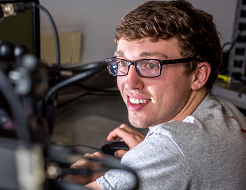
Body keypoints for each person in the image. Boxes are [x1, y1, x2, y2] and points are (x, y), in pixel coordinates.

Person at [68, 0, 246, 189]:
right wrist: (145, 155)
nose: (129, 82)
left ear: (198, 75)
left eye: (150, 65)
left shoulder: (172, 147)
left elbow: (176, 152)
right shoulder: (226, 112)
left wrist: (72, 176)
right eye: (122, 63)